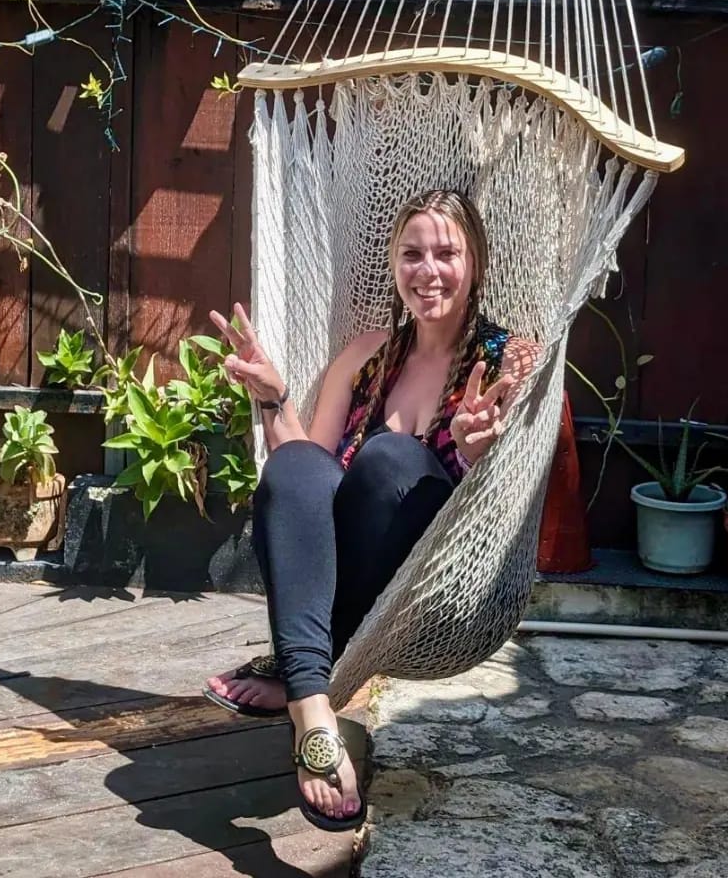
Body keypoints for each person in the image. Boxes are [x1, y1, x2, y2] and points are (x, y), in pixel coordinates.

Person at [203, 189, 536, 833]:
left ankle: (298, 673)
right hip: (347, 581)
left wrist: (469, 456)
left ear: (477, 264)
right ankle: (313, 712)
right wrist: (274, 402)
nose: (428, 270)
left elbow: (499, 505)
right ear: (392, 263)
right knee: (294, 462)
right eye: (411, 253)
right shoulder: (363, 356)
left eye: (446, 253)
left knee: (388, 459)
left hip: (433, 576)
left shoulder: (504, 363)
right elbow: (305, 485)